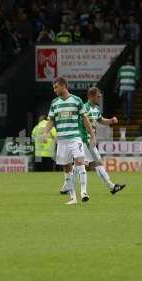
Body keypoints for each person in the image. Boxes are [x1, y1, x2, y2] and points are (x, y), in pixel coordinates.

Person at [60, 87, 125, 195]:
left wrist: (111, 121)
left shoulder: (96, 109)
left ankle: (66, 187)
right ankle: (112, 186)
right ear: (91, 96)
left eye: (100, 96)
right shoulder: (84, 108)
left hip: (89, 140)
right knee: (97, 162)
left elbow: (101, 120)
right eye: (98, 96)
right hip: (85, 140)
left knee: (79, 164)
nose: (100, 98)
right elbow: (77, 122)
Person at [43, 77, 96, 205]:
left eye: (56, 87)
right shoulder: (55, 103)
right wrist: (45, 133)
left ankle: (84, 192)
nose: (54, 90)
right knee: (67, 168)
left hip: (75, 138)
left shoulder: (76, 100)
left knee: (79, 161)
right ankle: (73, 197)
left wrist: (92, 135)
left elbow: (85, 119)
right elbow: (51, 120)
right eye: (54, 88)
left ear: (63, 86)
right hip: (62, 141)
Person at [117, 58, 139, 123]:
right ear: (132, 62)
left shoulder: (121, 68)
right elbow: (137, 79)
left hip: (123, 88)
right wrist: (135, 86)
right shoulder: (134, 69)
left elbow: (118, 78)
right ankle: (128, 116)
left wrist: (118, 87)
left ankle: (125, 115)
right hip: (131, 88)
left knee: (124, 102)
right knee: (130, 103)